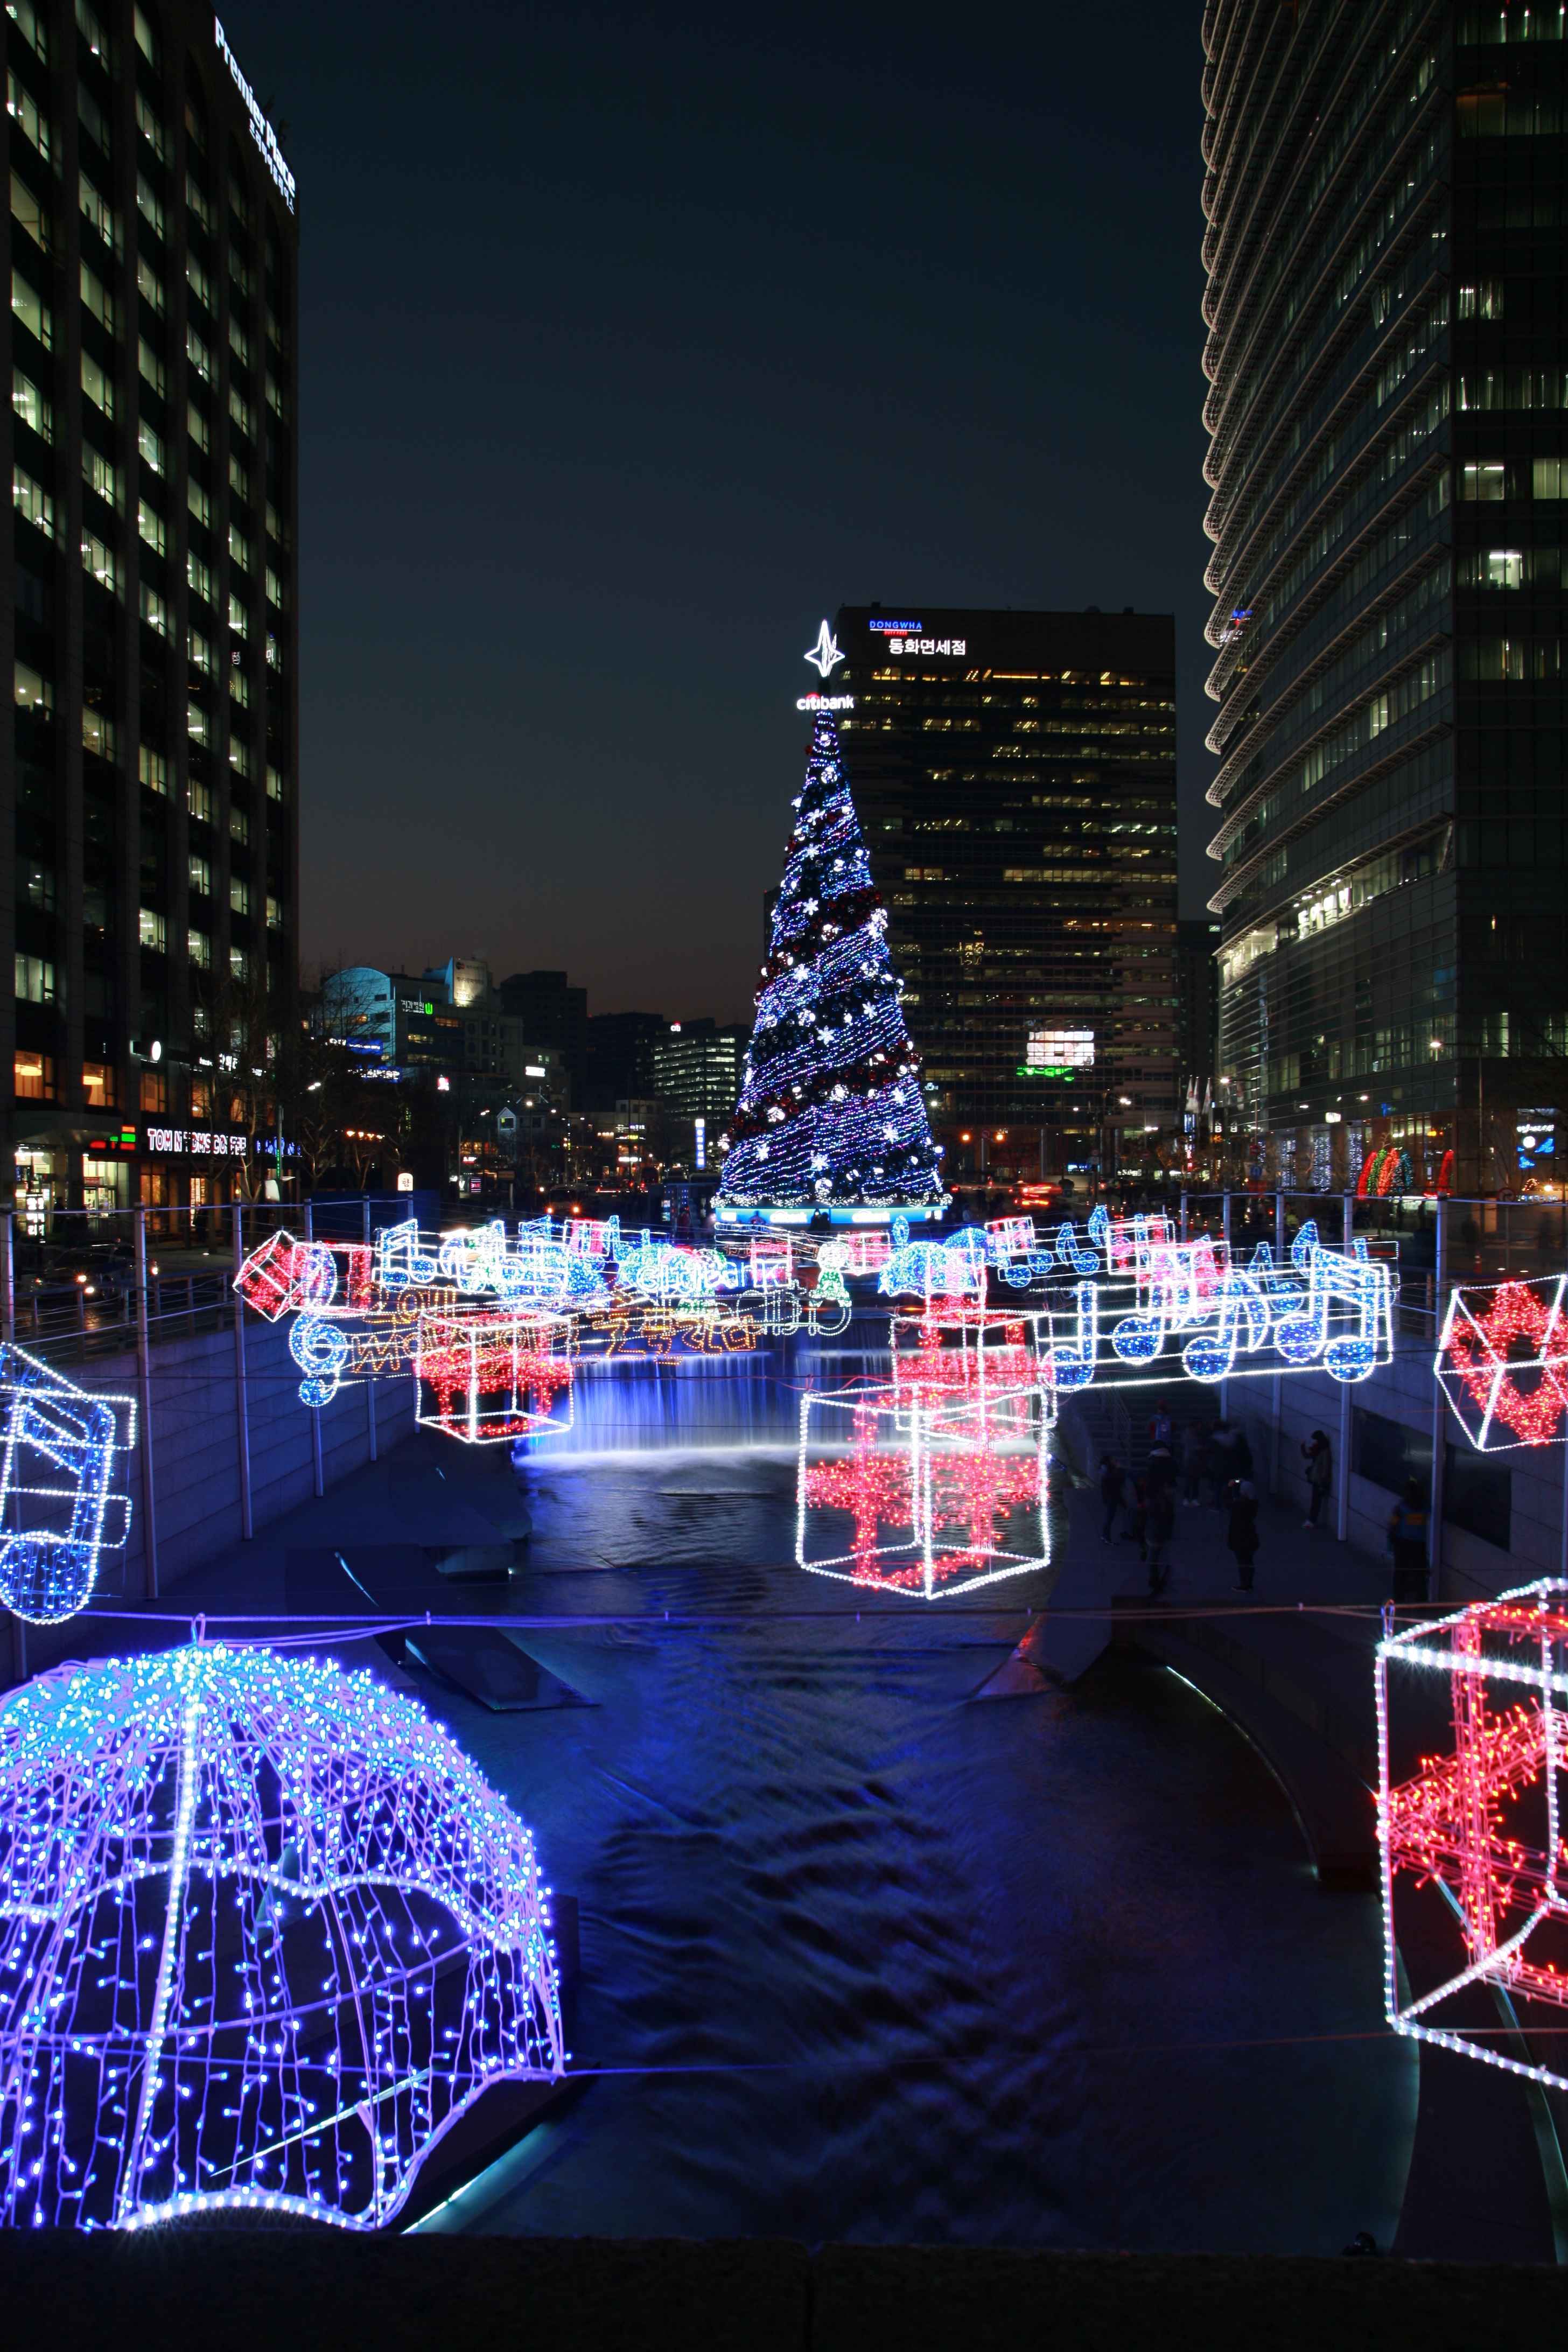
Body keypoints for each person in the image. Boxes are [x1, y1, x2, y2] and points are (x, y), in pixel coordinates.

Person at [1388, 1478, 1430, 1608]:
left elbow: (1392, 1526)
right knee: (1419, 1574)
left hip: (1403, 1544)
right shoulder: (1425, 1507)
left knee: (1401, 1573)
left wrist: (1391, 1540)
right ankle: (1421, 1601)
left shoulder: (1401, 1508)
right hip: (1418, 1545)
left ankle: (1399, 1600)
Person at [1227, 1474, 1260, 1592]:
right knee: (1248, 1561)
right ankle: (1248, 1583)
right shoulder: (1253, 1503)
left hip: (1241, 1538)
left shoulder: (1240, 1505)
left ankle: (1245, 1585)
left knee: (1242, 1562)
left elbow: (1230, 1503)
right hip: (1250, 1537)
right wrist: (1238, 1481)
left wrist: (1231, 1487)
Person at [1146, 1481, 1175, 1597]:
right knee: (1155, 1558)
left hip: (1154, 1533)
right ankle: (1156, 1580)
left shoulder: (1158, 1502)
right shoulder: (1165, 1503)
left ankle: (1154, 1580)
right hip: (1157, 1534)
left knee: (1154, 1558)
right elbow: (1168, 1519)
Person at [1301, 1430, 1332, 1528]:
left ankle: (1312, 1521)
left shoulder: (1325, 1452)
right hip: (1316, 1479)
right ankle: (1311, 1520)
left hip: (1320, 1481)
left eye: (1317, 1440)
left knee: (1316, 1502)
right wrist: (1303, 1448)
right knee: (1315, 1501)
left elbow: (1326, 1468)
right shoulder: (1318, 1449)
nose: (1316, 1442)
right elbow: (1307, 1456)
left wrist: (1323, 1484)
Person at [1098, 1454, 1124, 1544]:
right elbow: (1117, 1480)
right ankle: (1106, 1537)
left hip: (1109, 1497)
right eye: (1113, 1459)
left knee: (1109, 1517)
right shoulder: (1109, 1472)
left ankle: (1105, 1535)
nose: (1115, 1461)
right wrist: (1119, 1469)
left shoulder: (1106, 1471)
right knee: (1109, 1517)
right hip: (1111, 1497)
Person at [1181, 1419, 1206, 1507]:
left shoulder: (1193, 1434)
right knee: (1190, 1480)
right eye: (1199, 1425)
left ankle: (1192, 1499)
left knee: (1194, 1480)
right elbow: (1192, 1447)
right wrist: (1201, 1448)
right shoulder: (1190, 1434)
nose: (1200, 1427)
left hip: (1193, 1460)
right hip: (1191, 1460)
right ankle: (1188, 1498)